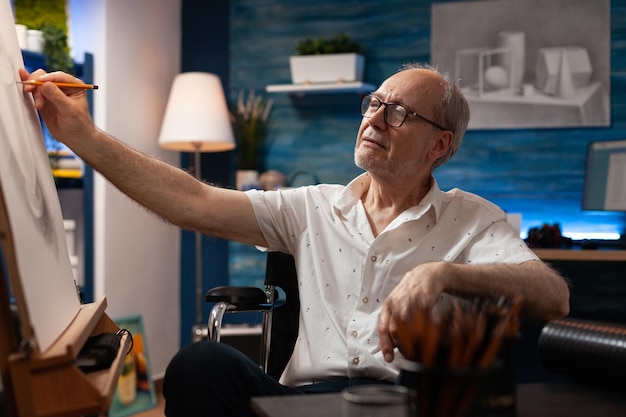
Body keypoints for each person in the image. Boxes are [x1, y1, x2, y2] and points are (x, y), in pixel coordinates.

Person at [20, 63, 570, 416]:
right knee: (198, 366)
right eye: (374, 104)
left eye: (399, 111)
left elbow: (551, 294)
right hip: (302, 404)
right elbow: (192, 201)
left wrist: (441, 273)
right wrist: (82, 137)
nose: (375, 118)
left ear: (440, 145)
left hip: (407, 405)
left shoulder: (472, 219)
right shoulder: (313, 206)